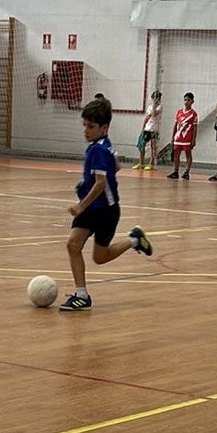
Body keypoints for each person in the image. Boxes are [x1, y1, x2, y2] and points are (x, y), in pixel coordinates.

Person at [61, 96, 152, 311]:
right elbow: (117, 166)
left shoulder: (98, 150)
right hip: (93, 208)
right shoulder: (104, 145)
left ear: (104, 128)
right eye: (84, 125)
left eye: (91, 126)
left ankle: (134, 240)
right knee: (73, 245)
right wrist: (86, 183)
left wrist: (81, 204)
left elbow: (101, 184)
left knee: (100, 258)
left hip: (105, 212)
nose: (86, 130)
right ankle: (82, 296)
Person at [166, 92, 197, 180]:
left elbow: (195, 128)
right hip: (178, 137)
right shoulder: (179, 112)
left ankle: (187, 172)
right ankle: (175, 171)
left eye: (188, 100)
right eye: (185, 100)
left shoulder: (193, 114)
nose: (186, 102)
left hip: (187, 138)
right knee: (176, 154)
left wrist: (193, 139)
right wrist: (173, 136)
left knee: (188, 154)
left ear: (192, 101)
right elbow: (175, 125)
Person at [134, 90, 163, 170]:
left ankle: (151, 164)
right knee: (142, 145)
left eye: (157, 97)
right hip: (147, 128)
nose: (155, 99)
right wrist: (143, 128)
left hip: (154, 129)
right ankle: (141, 163)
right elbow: (146, 118)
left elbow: (153, 114)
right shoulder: (149, 107)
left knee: (153, 147)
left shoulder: (159, 107)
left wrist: (154, 105)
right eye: (154, 97)